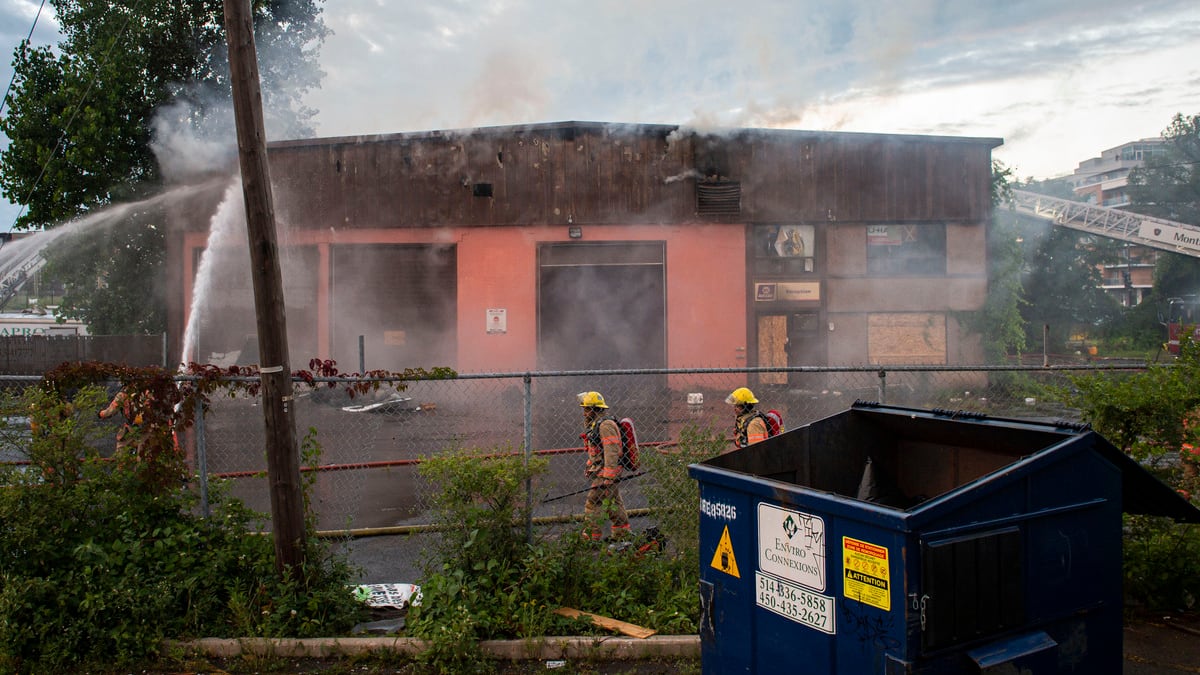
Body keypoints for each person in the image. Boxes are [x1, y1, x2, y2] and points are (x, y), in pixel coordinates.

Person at [577, 391, 630, 540]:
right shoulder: (596, 425)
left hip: (606, 473)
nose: (584, 413)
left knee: (593, 502)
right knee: (614, 502)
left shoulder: (605, 425)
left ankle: (590, 538)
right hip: (604, 471)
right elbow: (596, 452)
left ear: (595, 409)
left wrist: (608, 477)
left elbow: (612, 451)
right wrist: (590, 467)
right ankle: (622, 534)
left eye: (587, 409)